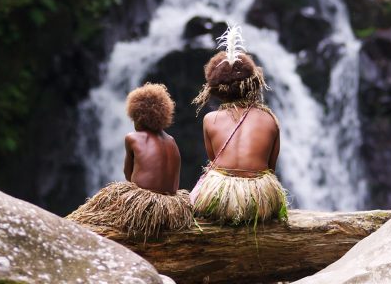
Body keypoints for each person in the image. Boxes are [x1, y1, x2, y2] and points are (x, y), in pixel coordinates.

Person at [67, 83, 193, 240]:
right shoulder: (172, 140)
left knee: (98, 208)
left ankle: (72, 230)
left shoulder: (133, 138)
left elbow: (128, 175)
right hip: (172, 205)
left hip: (144, 204)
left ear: (138, 117)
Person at [190, 25, 288, 226]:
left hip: (219, 197)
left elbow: (214, 162)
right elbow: (271, 167)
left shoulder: (210, 119)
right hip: (260, 198)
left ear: (216, 90)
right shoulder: (270, 119)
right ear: (253, 83)